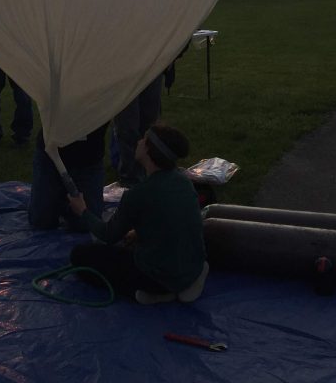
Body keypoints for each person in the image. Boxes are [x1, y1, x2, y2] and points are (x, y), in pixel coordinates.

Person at [67, 123, 208, 305]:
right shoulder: (184, 182)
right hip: (192, 266)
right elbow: (172, 221)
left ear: (149, 150)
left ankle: (158, 292)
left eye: (144, 139)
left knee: (80, 256)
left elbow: (108, 235)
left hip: (156, 276)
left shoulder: (138, 194)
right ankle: (188, 281)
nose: (139, 141)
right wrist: (137, 232)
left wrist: (83, 211)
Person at [28, 123, 107, 231]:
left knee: (86, 225)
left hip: (88, 159)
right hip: (51, 155)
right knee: (41, 221)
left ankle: (62, 201)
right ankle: (58, 199)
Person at [111, 74, 164, 186]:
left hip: (152, 67)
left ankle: (153, 172)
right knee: (127, 128)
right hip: (125, 72)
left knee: (151, 126)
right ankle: (131, 180)